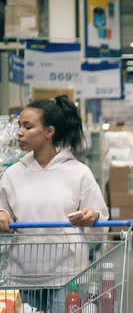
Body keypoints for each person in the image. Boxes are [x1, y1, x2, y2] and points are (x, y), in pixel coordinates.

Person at [0, 95, 109, 310]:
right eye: (19, 125)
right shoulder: (12, 175)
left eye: (28, 126)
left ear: (49, 131)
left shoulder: (79, 173)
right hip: (22, 277)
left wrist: (92, 218)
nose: (19, 132)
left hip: (67, 277)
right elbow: (2, 210)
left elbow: (100, 226)